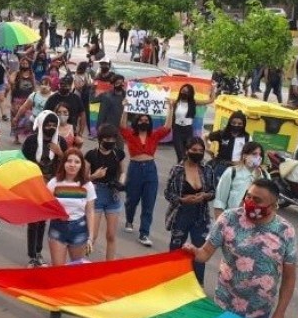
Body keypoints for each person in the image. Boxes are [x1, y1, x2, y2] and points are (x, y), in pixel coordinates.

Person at [184, 179, 296, 318]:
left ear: (274, 206)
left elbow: (289, 277)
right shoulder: (229, 218)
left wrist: (280, 313)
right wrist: (194, 252)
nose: (250, 202)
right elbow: (205, 253)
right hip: (229, 306)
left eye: (257, 200)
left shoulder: (286, 230)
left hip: (262, 308)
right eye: (248, 196)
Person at [44, 148, 95, 318]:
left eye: (76, 162)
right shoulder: (54, 183)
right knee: (58, 270)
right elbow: (45, 204)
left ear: (81, 165)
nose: (72, 165)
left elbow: (90, 211)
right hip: (58, 229)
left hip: (79, 230)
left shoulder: (87, 185)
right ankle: (55, 308)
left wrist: (90, 237)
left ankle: (70, 300)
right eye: (69, 161)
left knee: (74, 270)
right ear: (63, 163)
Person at [163, 137, 216, 285]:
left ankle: (198, 285)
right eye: (194, 150)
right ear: (187, 151)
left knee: (200, 250)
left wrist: (205, 196)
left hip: (201, 215)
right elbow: (168, 193)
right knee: (176, 248)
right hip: (181, 213)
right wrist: (181, 200)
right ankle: (172, 281)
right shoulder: (177, 170)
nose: (197, 153)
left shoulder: (207, 169)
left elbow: (213, 192)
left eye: (201, 151)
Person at [120, 106, 173, 247]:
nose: (144, 122)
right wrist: (125, 108)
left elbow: (167, 127)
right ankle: (129, 220)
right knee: (132, 199)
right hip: (135, 169)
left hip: (150, 169)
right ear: (136, 122)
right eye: (141, 120)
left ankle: (144, 233)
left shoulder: (154, 135)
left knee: (149, 202)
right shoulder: (131, 134)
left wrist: (171, 108)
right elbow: (122, 126)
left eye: (146, 120)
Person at [22, 111, 68, 267]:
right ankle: (32, 256)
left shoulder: (60, 142)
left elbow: (69, 164)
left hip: (51, 188)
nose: (51, 127)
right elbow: (22, 163)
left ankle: (38, 253)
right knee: (33, 221)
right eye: (48, 125)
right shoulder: (31, 141)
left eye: (54, 125)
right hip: (33, 187)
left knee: (43, 222)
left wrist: (60, 153)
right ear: (41, 125)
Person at [85, 124, 125, 261]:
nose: (110, 142)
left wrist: (121, 181)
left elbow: (123, 171)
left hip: (113, 194)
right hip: (96, 193)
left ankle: (109, 266)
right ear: (100, 139)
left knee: (111, 235)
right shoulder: (91, 155)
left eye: (113, 139)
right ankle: (81, 262)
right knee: (92, 235)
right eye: (107, 139)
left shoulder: (118, 153)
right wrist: (94, 176)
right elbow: (83, 179)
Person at [212, 142, 269, 218]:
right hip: (232, 219)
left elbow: (268, 201)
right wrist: (220, 224)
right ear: (245, 156)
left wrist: (259, 178)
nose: (258, 157)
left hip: (255, 221)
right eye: (254, 154)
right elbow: (220, 201)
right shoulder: (232, 172)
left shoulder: (265, 175)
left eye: (260, 154)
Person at [171, 84, 214, 163]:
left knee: (188, 154)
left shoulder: (193, 102)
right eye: (183, 91)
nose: (184, 93)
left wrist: (213, 88)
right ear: (180, 91)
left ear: (190, 93)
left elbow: (211, 100)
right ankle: (180, 170)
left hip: (188, 130)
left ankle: (187, 170)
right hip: (177, 130)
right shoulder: (176, 102)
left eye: (187, 92)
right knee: (180, 154)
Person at [205, 111, 250, 181]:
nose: (236, 125)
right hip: (221, 166)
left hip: (238, 169)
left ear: (244, 125)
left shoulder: (247, 137)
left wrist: (242, 162)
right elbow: (205, 137)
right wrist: (208, 149)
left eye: (240, 124)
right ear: (230, 122)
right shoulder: (222, 133)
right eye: (234, 123)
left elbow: (250, 154)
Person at [45, 75, 87, 140]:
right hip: (54, 131)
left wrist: (80, 132)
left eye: (67, 85)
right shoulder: (52, 98)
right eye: (63, 85)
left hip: (72, 131)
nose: (65, 87)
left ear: (70, 86)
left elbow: (83, 114)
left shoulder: (76, 98)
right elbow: (45, 115)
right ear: (59, 85)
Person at [93, 74, 127, 148]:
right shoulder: (107, 96)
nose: (120, 85)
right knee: (106, 149)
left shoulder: (126, 96)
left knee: (120, 150)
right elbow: (102, 114)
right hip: (109, 128)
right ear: (113, 84)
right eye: (118, 83)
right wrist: (99, 128)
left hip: (120, 129)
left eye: (122, 82)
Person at [9, 58, 36, 144]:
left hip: (28, 99)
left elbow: (34, 86)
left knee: (28, 118)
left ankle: (27, 137)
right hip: (17, 99)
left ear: (29, 64)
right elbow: (11, 80)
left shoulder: (32, 74)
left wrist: (35, 96)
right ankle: (16, 137)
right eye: (23, 63)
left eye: (26, 63)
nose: (24, 65)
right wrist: (12, 80)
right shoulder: (17, 73)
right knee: (15, 117)